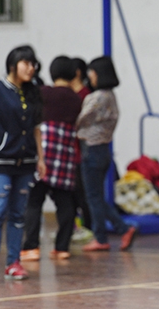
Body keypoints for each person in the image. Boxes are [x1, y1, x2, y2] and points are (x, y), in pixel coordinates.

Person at [0, 45, 46, 283]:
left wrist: (40, 158)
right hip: (0, 161)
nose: (30, 68)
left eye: (33, 64)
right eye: (26, 63)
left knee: (18, 214)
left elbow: (36, 129)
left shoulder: (32, 93)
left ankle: (14, 263)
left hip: (26, 162)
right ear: (13, 65)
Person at [20, 56, 82, 261]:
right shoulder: (76, 99)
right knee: (65, 202)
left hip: (42, 153)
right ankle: (62, 247)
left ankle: (31, 247)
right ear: (74, 74)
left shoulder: (43, 93)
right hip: (64, 155)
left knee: (34, 201)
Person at [76, 56, 136, 252]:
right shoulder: (111, 96)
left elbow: (79, 120)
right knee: (97, 197)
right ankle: (114, 231)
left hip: (91, 149)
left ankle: (107, 234)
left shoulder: (96, 98)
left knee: (93, 197)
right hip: (104, 149)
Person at [70, 57, 93, 240]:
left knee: (83, 193)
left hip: (81, 151)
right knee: (72, 194)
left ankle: (89, 227)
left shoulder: (85, 95)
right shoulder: (71, 95)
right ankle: (76, 227)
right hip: (70, 151)